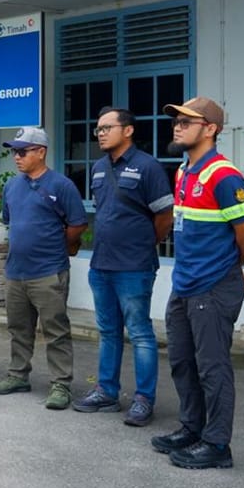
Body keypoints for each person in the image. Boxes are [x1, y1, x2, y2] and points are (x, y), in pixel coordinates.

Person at [150, 97, 244, 470]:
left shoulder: (223, 176)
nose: (177, 125)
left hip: (212, 286)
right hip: (185, 283)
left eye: (187, 121)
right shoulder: (184, 172)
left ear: (210, 128)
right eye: (176, 120)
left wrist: (232, 267)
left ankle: (216, 444)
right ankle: (192, 428)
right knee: (182, 361)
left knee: (212, 368)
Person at [75, 107, 174, 426]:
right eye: (98, 129)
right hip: (101, 264)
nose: (101, 133)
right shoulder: (99, 167)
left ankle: (144, 399)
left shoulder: (148, 166)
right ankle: (106, 391)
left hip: (134, 266)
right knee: (107, 331)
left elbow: (164, 216)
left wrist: (145, 243)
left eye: (107, 127)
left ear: (128, 130)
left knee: (141, 333)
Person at [0, 126, 87, 411]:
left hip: (48, 271)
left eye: (22, 151)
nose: (16, 157)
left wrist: (59, 246)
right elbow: (9, 220)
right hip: (16, 271)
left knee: (55, 330)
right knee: (19, 328)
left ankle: (61, 385)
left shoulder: (61, 185)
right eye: (13, 152)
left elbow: (77, 224)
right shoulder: (12, 186)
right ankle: (18, 375)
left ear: (41, 152)